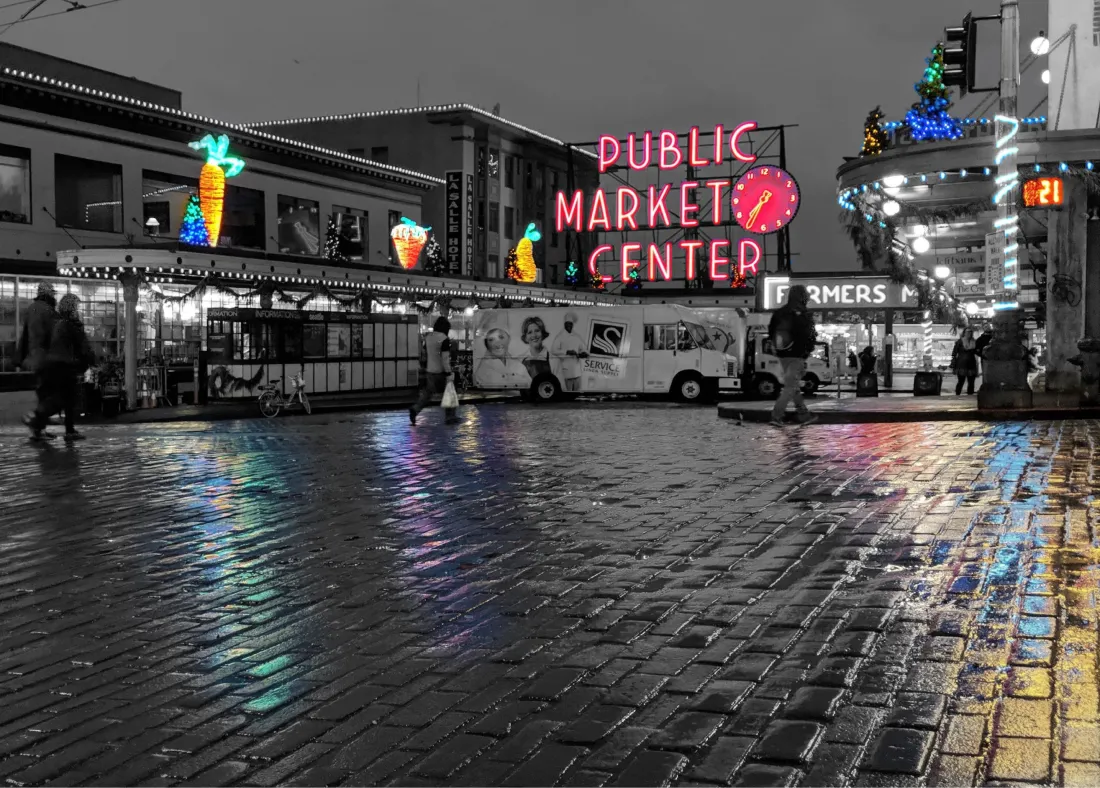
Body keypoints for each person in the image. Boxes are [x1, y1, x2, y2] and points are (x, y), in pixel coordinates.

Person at [42, 294, 93, 441]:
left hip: (61, 365)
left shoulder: (60, 324)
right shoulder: (69, 325)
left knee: (66, 399)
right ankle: (39, 420)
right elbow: (80, 346)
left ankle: (66, 429)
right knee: (66, 399)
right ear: (71, 308)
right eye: (76, 307)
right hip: (66, 366)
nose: (78, 310)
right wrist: (87, 360)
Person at [768, 285, 818, 427]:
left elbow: (771, 331)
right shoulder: (804, 314)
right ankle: (776, 416)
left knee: (793, 384)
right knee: (790, 386)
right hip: (797, 355)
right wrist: (807, 351)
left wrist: (778, 348)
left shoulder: (779, 313)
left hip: (783, 354)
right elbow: (810, 335)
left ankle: (804, 414)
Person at [16, 282, 58, 440]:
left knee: (43, 392)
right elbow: (53, 335)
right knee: (51, 394)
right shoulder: (48, 310)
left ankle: (38, 429)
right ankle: (34, 420)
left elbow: (26, 335)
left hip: (34, 357)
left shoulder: (32, 308)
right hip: (46, 358)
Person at [410, 316, 459, 425]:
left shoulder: (428, 337)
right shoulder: (444, 339)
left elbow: (424, 353)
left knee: (428, 394)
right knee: (450, 392)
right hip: (441, 372)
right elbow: (445, 358)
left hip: (430, 370)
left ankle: (415, 409)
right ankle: (450, 417)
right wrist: (448, 372)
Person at [551, 311, 587, 392]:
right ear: (564, 325)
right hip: (567, 368)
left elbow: (583, 348)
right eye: (567, 324)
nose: (569, 326)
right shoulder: (560, 337)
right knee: (569, 391)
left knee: (577, 390)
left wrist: (583, 353)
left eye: (570, 324)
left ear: (572, 325)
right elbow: (553, 350)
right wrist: (567, 352)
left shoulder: (576, 336)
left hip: (577, 369)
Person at [520, 316, 552, 381]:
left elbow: (560, 385)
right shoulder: (520, 360)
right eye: (529, 332)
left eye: (537, 331)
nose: (534, 335)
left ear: (542, 333)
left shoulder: (554, 360)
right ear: (525, 337)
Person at [951, 327, 979, 395]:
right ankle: (957, 395)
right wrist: (953, 360)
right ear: (964, 333)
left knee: (971, 381)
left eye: (970, 332)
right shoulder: (960, 341)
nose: (969, 333)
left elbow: (977, 351)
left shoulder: (974, 341)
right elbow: (954, 352)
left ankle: (970, 395)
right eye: (967, 332)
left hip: (971, 363)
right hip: (961, 364)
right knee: (961, 381)